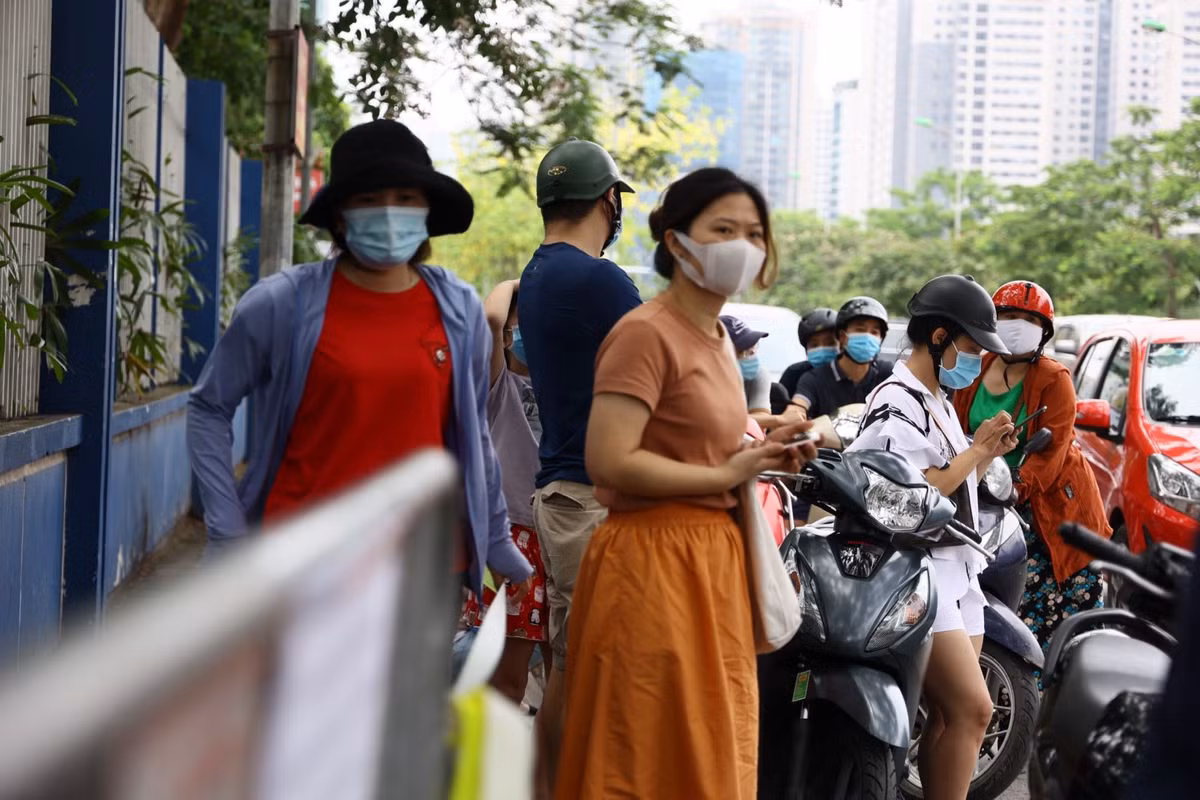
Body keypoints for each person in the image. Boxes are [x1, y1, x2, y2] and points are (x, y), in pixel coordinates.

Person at [556, 167, 818, 800]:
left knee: (711, 747)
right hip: (652, 565)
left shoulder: (721, 339)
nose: (743, 246)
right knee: (644, 756)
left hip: (713, 563)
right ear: (676, 242)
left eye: (754, 233)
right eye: (723, 229)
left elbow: (705, 442)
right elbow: (609, 459)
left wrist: (765, 448)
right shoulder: (644, 332)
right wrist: (725, 472)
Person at [187, 120, 533, 598]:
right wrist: (225, 527)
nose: (390, 213)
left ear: (427, 212)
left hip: (427, 571)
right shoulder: (282, 304)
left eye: (406, 198)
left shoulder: (459, 310)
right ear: (341, 216)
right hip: (304, 568)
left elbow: (473, 437)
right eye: (370, 199)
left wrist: (495, 539)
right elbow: (208, 408)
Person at [848, 275, 1017, 800]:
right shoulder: (897, 399)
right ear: (939, 337)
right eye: (970, 348)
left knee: (952, 713)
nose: (976, 362)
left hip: (956, 568)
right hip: (919, 571)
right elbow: (911, 492)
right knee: (973, 707)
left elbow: (950, 475)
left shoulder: (936, 398)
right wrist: (977, 449)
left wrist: (984, 451)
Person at [516, 138, 641, 791]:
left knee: (568, 660)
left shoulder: (538, 273)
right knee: (589, 666)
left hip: (563, 491)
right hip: (591, 499)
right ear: (606, 200)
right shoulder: (599, 279)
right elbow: (669, 363)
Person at [952, 280, 1111, 657]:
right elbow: (955, 432)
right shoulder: (974, 367)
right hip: (980, 496)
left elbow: (1052, 451)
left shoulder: (1055, 379)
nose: (1017, 324)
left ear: (1044, 332)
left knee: (1048, 617)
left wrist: (1015, 488)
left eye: (1028, 319)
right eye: (1007, 315)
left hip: (1047, 508)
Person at [461, 278, 551, 706]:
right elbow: (491, 317)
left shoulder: (567, 389)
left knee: (560, 676)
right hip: (513, 535)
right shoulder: (499, 387)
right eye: (523, 326)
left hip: (558, 532)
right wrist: (522, 284)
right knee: (507, 679)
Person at [791, 296, 893, 422]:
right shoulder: (813, 378)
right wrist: (795, 413)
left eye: (874, 332)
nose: (867, 336)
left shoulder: (889, 374)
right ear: (842, 336)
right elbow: (799, 405)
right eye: (860, 330)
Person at [779, 307, 838, 399]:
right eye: (814, 345)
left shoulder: (857, 374)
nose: (822, 350)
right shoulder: (794, 375)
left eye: (830, 343)